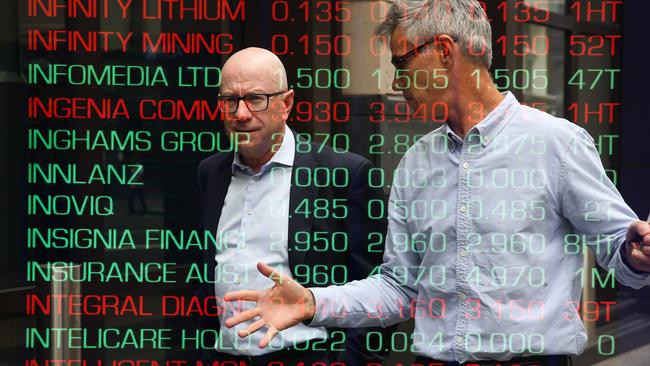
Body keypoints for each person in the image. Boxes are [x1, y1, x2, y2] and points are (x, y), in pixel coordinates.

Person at [223, 2, 650, 365]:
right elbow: (398, 287)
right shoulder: (416, 162)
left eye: (401, 63)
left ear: (443, 51)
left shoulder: (555, 144)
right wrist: (314, 304)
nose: (395, 81)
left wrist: (638, 252)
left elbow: (619, 246)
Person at [196, 47, 391, 365]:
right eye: (230, 100)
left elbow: (379, 285)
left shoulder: (343, 175)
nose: (241, 114)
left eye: (256, 99)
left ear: (286, 104)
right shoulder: (211, 173)